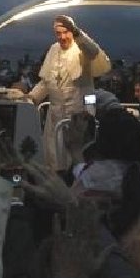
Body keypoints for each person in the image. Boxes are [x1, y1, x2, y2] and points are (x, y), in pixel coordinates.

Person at [22, 15, 111, 171]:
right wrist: (31, 97)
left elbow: (93, 51)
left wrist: (77, 32)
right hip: (55, 116)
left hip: (79, 115)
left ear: (72, 31)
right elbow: (46, 81)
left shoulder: (82, 47)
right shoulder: (53, 49)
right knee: (54, 158)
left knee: (77, 158)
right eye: (58, 33)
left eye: (66, 32)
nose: (62, 37)